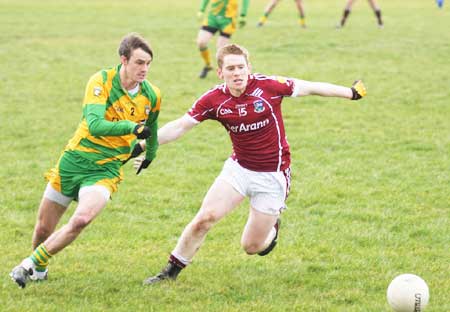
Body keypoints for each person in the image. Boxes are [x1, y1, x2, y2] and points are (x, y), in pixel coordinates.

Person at [134, 43, 366, 285]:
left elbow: (310, 87)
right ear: (220, 73)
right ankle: (169, 273)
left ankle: (272, 229)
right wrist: (143, 146)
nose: (237, 73)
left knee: (252, 246)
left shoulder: (269, 87)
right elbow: (181, 126)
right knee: (205, 218)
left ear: (249, 68)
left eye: (241, 67)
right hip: (239, 169)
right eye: (231, 68)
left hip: (272, 176)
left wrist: (350, 92)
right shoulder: (214, 99)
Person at [9, 33, 161, 289]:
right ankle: (39, 269)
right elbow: (95, 124)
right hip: (73, 161)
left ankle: (26, 265)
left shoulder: (152, 95)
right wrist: (132, 128)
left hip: (106, 169)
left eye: (148, 63)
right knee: (43, 230)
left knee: (82, 219)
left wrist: (151, 154)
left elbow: (153, 128)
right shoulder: (101, 81)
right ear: (124, 60)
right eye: (139, 62)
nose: (144, 69)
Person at [196, 0, 250, 79]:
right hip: (212, 18)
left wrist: (243, 15)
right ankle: (208, 65)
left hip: (228, 20)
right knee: (201, 42)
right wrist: (201, 9)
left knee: (221, 49)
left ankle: (225, 73)